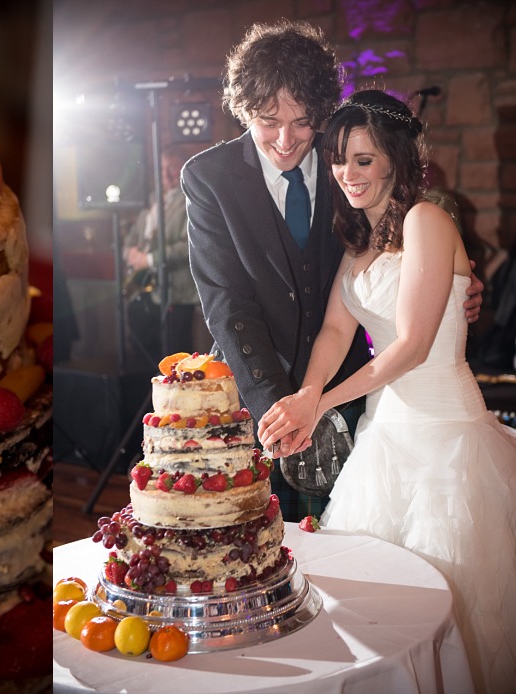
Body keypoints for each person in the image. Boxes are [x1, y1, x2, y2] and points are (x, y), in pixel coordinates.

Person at [258, 89, 516, 693]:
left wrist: (318, 403)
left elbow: (412, 347)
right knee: (385, 608)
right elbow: (333, 329)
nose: (349, 174)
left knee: (458, 606)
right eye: (341, 159)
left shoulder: (428, 219)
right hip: (383, 439)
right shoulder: (359, 244)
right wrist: (306, 391)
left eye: (365, 160)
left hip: (445, 438)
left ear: (396, 160)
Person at [180, 20, 483, 521]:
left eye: (301, 121)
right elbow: (226, 302)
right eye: (267, 120)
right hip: (258, 388)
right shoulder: (208, 178)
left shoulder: (343, 156)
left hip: (349, 393)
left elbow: (410, 236)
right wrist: (282, 408)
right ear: (243, 110)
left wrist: (457, 284)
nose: (285, 139)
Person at [125, 146, 206, 357]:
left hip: (176, 293)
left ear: (183, 168)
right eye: (161, 168)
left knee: (176, 354)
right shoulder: (152, 201)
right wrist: (131, 254)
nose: (165, 173)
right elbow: (130, 240)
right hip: (145, 291)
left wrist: (149, 259)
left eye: (172, 167)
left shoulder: (192, 199)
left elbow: (188, 245)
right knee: (144, 351)